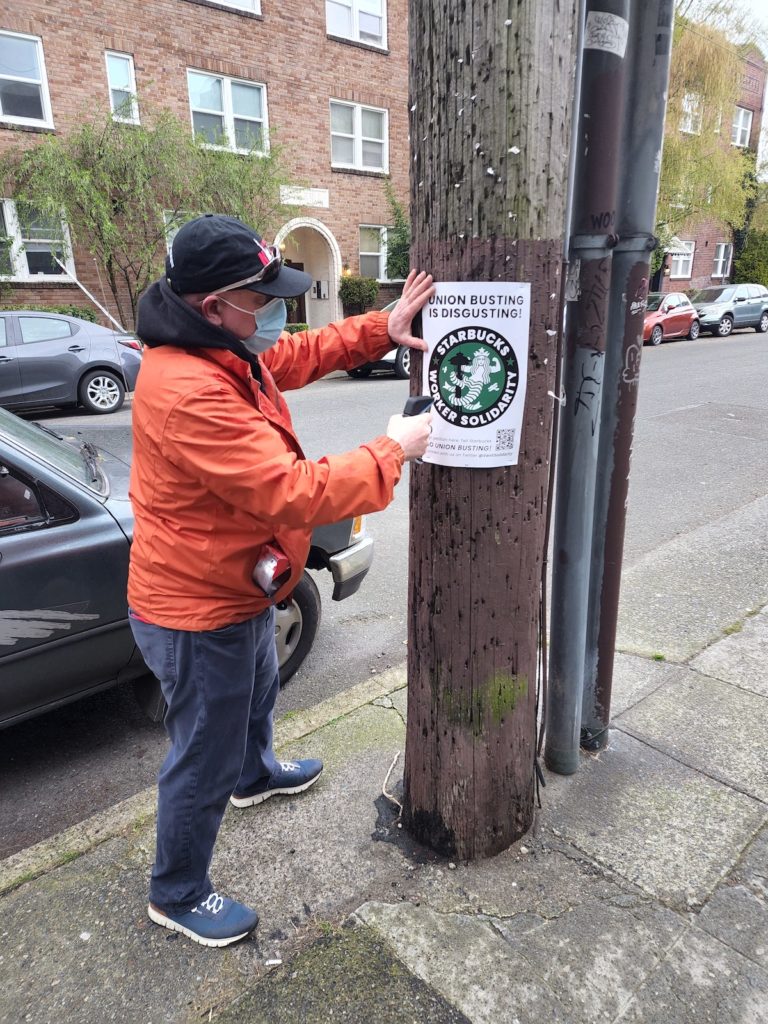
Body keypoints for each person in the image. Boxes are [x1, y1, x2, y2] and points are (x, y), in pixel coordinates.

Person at [127, 213, 433, 948]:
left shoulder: (221, 346)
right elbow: (291, 492)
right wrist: (392, 449)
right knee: (202, 751)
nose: (277, 312)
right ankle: (176, 891)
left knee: (258, 685)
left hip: (236, 587)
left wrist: (378, 328)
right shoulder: (188, 390)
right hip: (199, 610)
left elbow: (292, 355)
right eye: (263, 299)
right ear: (214, 307)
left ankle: (255, 772)